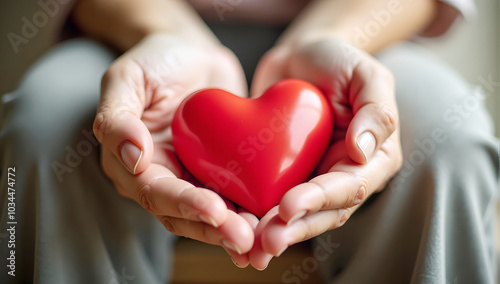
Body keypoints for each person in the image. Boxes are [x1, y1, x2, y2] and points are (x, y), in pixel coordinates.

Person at [0, 0, 497, 283]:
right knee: (42, 127)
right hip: (139, 26)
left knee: (450, 141)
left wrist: (325, 36)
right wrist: (169, 32)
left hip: (353, 27)